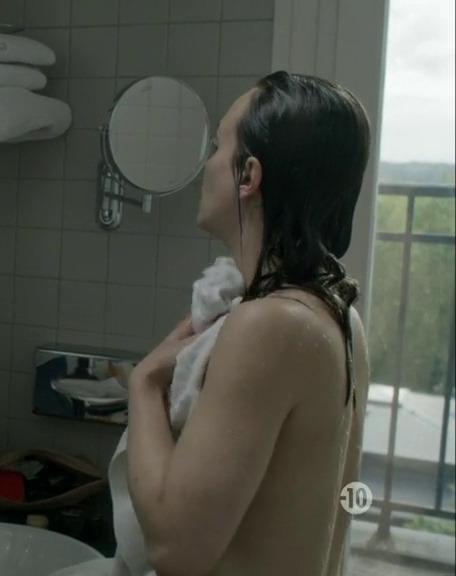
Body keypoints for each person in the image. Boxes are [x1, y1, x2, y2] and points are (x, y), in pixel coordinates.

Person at [126, 71, 371, 576]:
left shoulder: (268, 325)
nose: (207, 164)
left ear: (248, 176)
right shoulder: (338, 313)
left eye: (218, 146)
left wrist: (144, 383)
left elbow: (174, 549)